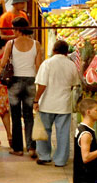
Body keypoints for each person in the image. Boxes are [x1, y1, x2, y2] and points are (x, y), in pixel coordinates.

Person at [34, 39, 81, 167]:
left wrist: (36, 100)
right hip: (63, 105)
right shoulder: (71, 65)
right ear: (66, 53)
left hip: (47, 104)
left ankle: (44, 156)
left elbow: (42, 84)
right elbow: (74, 84)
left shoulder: (47, 63)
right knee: (63, 133)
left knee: (44, 131)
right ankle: (60, 160)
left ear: (54, 50)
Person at [0, 18, 42, 157]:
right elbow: (38, 66)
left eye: (13, 28)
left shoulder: (10, 44)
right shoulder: (36, 44)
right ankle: (31, 147)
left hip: (14, 82)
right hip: (30, 81)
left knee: (16, 116)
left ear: (18, 29)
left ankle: (17, 148)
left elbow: (2, 63)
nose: (12, 31)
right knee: (29, 116)